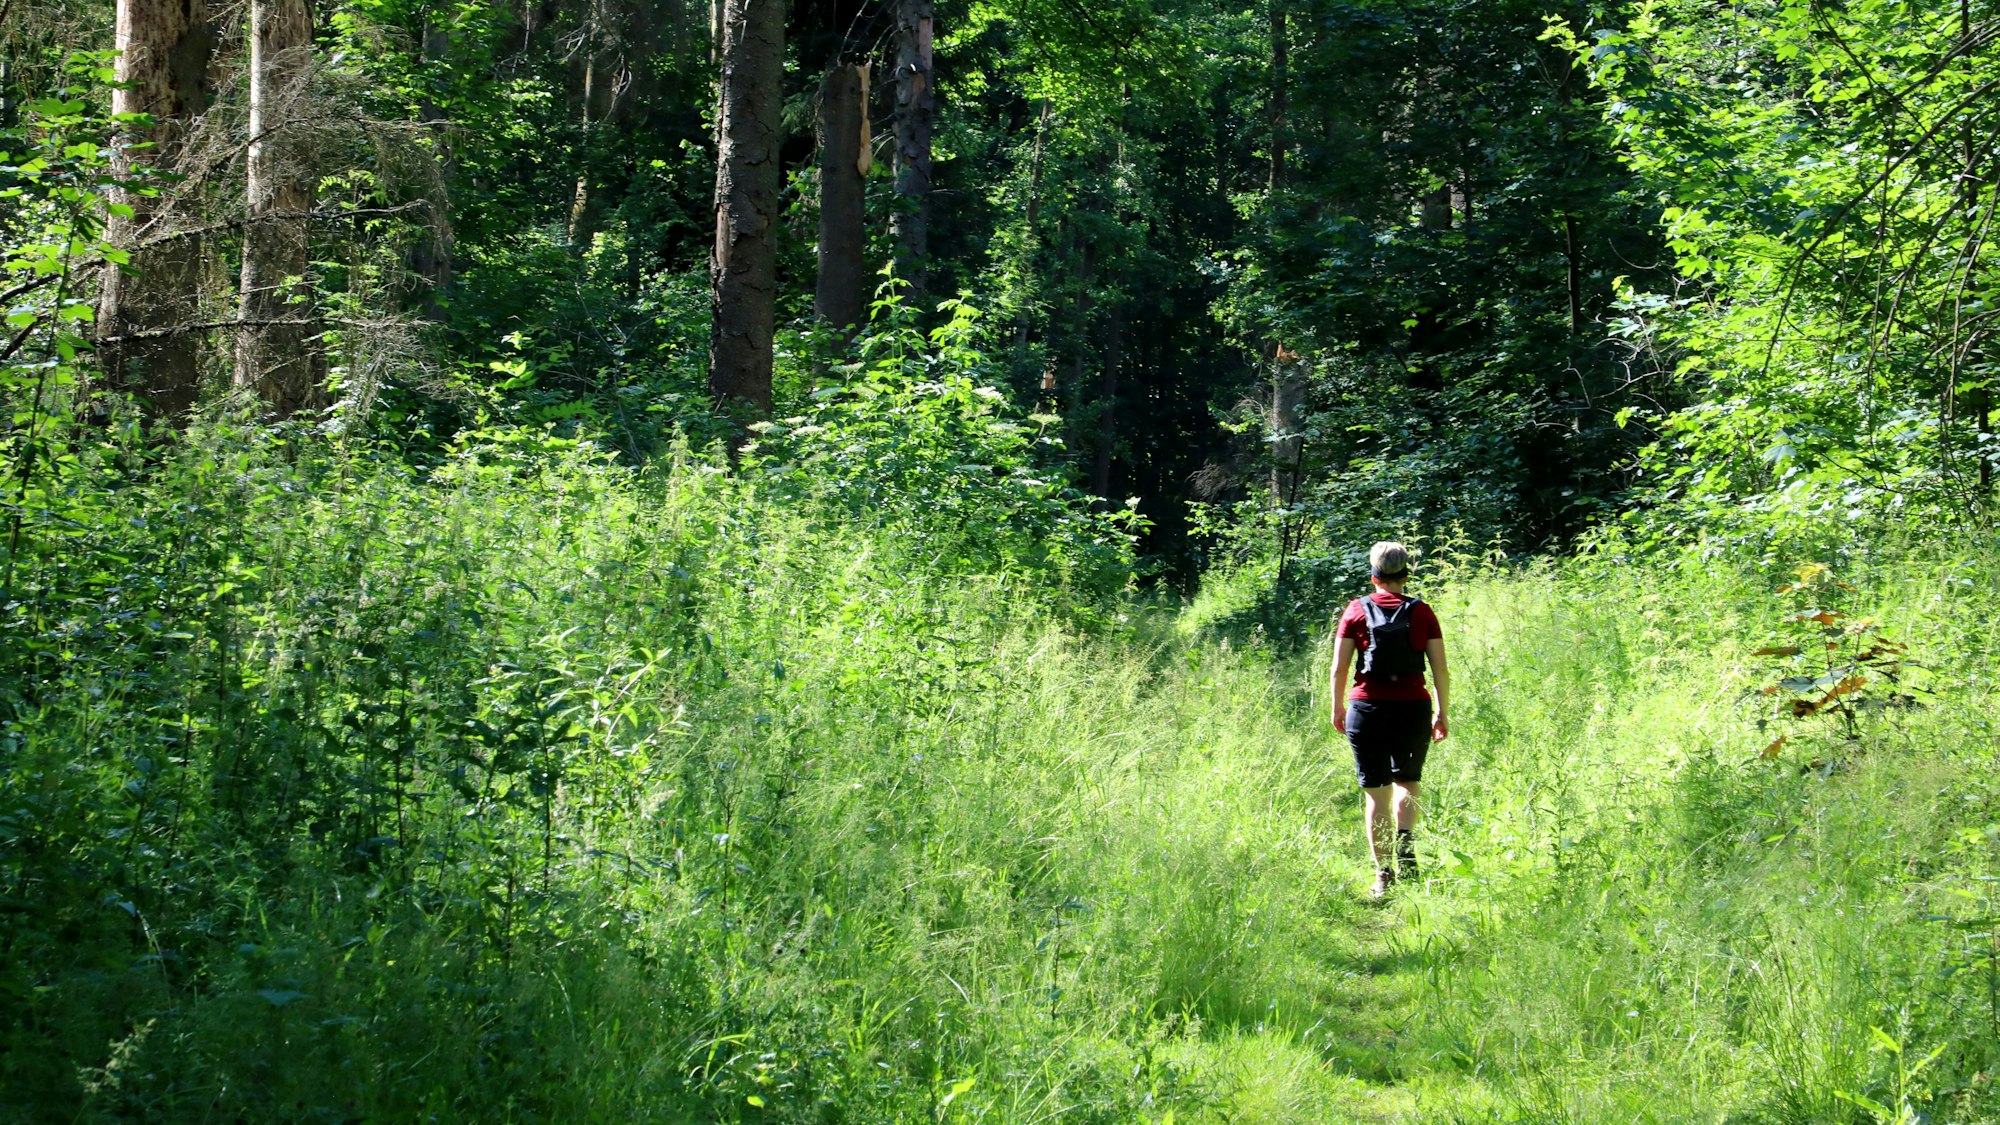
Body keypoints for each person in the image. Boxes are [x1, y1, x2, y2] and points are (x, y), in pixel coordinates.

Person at [1330, 541, 1450, 898]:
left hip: (1367, 710)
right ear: (1405, 574)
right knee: (1408, 782)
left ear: (1374, 574)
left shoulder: (1355, 610)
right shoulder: (1423, 612)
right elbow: (1439, 668)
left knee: (1376, 795)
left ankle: (1383, 875)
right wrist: (1443, 711)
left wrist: (1338, 708)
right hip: (1413, 708)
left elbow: (1340, 668)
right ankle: (1407, 852)